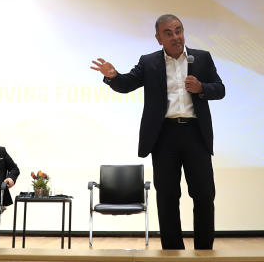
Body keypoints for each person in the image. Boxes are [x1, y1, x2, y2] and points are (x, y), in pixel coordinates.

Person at [90, 14, 225, 250]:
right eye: (169, 33)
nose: (176, 37)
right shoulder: (149, 62)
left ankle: (204, 250)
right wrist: (112, 76)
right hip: (164, 137)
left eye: (179, 30)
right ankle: (173, 250)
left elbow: (220, 89)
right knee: (167, 197)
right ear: (158, 38)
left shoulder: (201, 58)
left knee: (204, 195)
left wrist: (202, 87)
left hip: (196, 134)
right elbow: (127, 84)